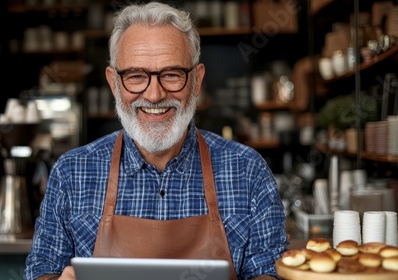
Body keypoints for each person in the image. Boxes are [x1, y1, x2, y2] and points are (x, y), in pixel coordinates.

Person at [24, 2, 288, 280]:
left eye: (172, 75)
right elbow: (41, 269)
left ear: (196, 81)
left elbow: (269, 270)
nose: (153, 95)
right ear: (113, 82)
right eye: (136, 76)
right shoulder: (71, 173)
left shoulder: (248, 171)